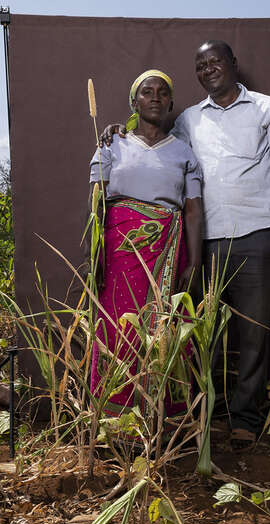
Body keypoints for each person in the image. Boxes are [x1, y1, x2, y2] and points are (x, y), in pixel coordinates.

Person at [102, 40, 270, 449]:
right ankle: (202, 415)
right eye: (201, 66)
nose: (209, 69)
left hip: (258, 232)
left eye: (216, 62)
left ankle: (245, 418)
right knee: (198, 334)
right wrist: (117, 131)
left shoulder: (267, 109)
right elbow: (152, 146)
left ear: (233, 64)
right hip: (204, 243)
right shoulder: (189, 121)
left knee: (252, 333)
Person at [88, 69, 204, 418]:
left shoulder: (184, 153)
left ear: (170, 103)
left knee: (166, 330)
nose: (155, 97)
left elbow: (194, 211)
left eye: (163, 92)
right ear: (134, 102)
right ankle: (114, 417)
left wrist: (194, 262)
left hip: (168, 251)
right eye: (147, 91)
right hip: (121, 250)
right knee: (118, 325)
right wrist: (95, 255)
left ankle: (162, 419)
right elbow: (96, 204)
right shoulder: (112, 144)